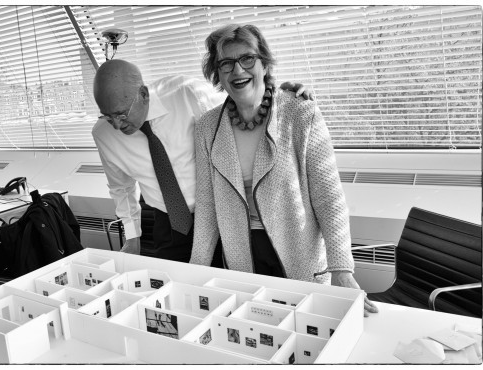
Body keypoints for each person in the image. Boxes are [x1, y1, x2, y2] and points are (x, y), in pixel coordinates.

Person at [189, 24, 378, 316]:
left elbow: (329, 199)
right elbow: (207, 207)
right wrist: (194, 274)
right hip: (241, 255)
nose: (238, 70)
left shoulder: (300, 113)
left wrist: (341, 269)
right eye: (226, 63)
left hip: (299, 254)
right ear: (218, 75)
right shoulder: (206, 127)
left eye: (247, 58)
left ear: (264, 63)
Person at [92, 59, 313, 265]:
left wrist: (278, 99)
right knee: (174, 290)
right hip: (168, 224)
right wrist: (132, 239)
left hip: (219, 213)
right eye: (107, 116)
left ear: (143, 94)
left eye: (121, 115)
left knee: (227, 286)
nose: (117, 125)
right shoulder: (103, 134)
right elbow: (121, 188)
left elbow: (240, 114)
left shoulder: (186, 94)